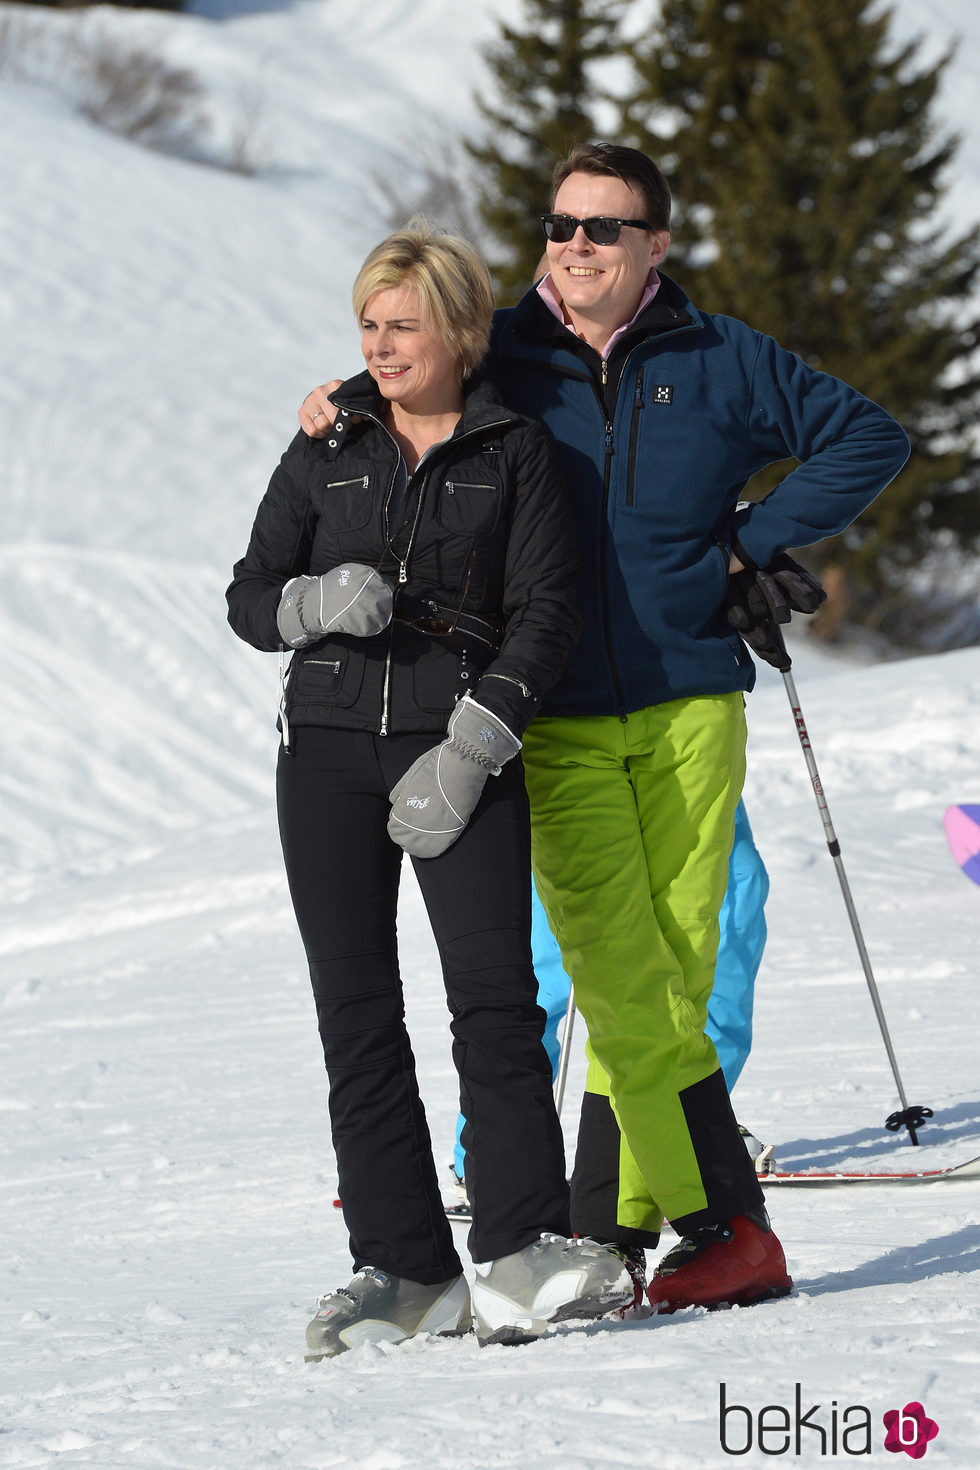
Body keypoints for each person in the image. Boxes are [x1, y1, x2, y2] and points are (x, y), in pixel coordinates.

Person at [298, 143, 911, 1315]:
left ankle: (613, 1220)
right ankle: (728, 1226)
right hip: (556, 709)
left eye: (603, 228)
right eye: (559, 222)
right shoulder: (503, 357)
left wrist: (753, 535)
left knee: (673, 969)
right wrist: (342, 397)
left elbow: (866, 438)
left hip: (691, 698)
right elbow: (406, 376)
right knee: (618, 970)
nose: (574, 244)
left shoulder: (719, 356)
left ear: (653, 248)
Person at [227, 218, 636, 1360]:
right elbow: (250, 592)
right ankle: (405, 1271)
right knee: (354, 1016)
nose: (383, 344)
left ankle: (517, 1253)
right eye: (369, 324)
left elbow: (545, 616)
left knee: (494, 1005)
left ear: (458, 329)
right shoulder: (327, 444)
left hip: (458, 752)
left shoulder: (516, 453)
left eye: (404, 324)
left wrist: (471, 742)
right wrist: (309, 606)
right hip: (322, 760)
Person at [450, 798, 769, 1206]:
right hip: (574, 750)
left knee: (732, 900)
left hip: (689, 747)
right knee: (549, 963)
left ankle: (697, 1124)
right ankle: (491, 1148)